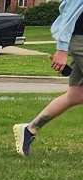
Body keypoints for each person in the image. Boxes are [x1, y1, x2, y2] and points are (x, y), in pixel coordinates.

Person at [13, 0, 83, 156]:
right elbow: (68, 11)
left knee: (76, 95)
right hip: (80, 39)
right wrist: (62, 49)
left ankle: (29, 130)